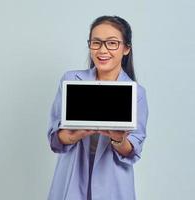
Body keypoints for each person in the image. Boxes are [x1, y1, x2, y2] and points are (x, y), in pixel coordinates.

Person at [47, 15, 148, 200]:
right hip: (72, 174)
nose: (103, 50)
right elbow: (54, 139)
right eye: (96, 43)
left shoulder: (136, 93)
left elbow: (133, 149)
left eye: (112, 43)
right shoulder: (71, 81)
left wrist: (119, 140)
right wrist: (70, 136)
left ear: (126, 48)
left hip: (113, 180)